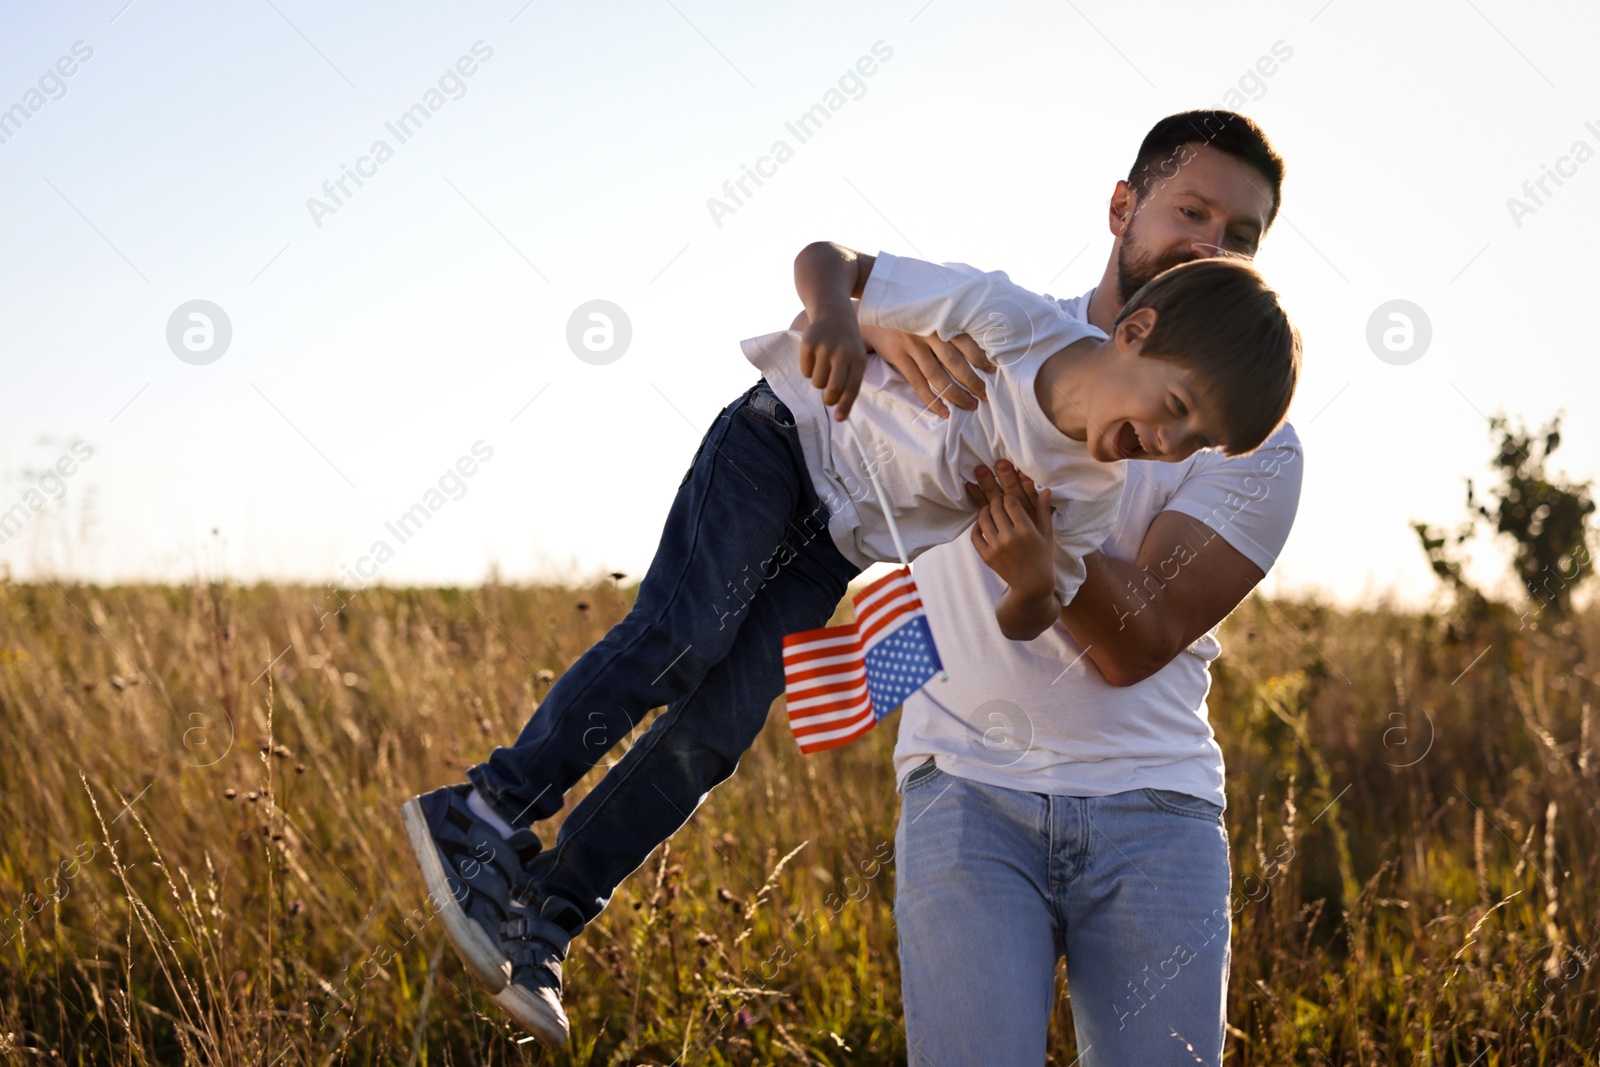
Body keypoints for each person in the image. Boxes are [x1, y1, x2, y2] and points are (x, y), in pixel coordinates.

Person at [397, 217, 1300, 1044]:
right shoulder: (1015, 321)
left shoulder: (1091, 496)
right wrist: (833, 314)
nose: (1163, 443)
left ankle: (548, 910)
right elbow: (831, 260)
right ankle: (481, 809)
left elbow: (1030, 615)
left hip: (831, 543)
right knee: (685, 636)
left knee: (719, 730)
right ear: (1134, 336)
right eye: (1174, 408)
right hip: (782, 442)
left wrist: (1028, 582)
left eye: (1192, 445)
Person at [878, 109, 1304, 1066]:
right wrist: (870, 315)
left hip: (1152, 814)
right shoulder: (993, 333)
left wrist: (1049, 548)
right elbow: (842, 312)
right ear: (1123, 207)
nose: (1211, 244)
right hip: (966, 793)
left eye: (1241, 237)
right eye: (1191, 211)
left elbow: (1137, 639)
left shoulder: (1255, 443)